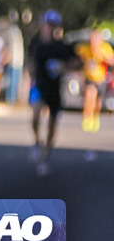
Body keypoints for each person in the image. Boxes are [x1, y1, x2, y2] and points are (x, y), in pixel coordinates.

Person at [26, 10, 77, 176]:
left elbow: (77, 63)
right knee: (35, 114)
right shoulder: (36, 43)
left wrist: (64, 67)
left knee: (52, 124)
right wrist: (31, 72)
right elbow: (30, 59)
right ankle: (36, 142)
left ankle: (45, 156)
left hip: (54, 89)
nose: (50, 28)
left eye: (53, 25)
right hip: (38, 86)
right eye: (48, 25)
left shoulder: (62, 47)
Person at [75, 29, 113, 132]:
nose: (94, 42)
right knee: (89, 95)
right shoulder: (86, 49)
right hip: (89, 78)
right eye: (92, 39)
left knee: (97, 102)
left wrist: (102, 57)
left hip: (101, 79)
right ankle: (87, 117)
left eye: (96, 39)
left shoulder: (105, 48)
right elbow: (77, 55)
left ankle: (95, 116)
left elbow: (112, 60)